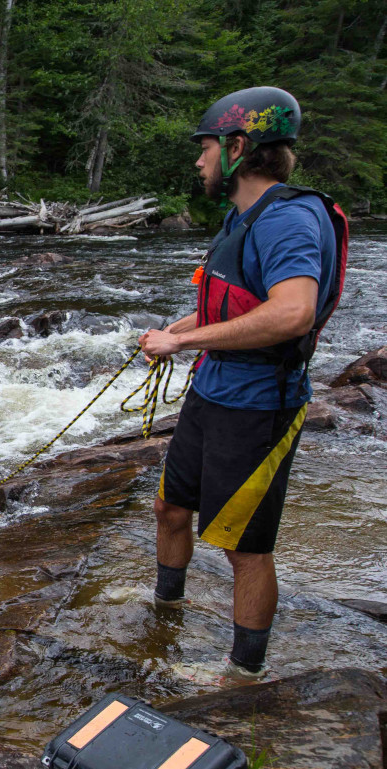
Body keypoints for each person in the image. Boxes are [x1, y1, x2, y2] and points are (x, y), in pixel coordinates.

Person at [138, 87, 348, 681]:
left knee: (244, 547)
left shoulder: (288, 219)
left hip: (259, 406)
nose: (198, 161)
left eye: (205, 148)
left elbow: (292, 313)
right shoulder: (242, 216)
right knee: (170, 507)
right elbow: (231, 305)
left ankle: (243, 674)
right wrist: (177, 329)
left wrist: (181, 344)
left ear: (238, 147)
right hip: (213, 392)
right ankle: (164, 614)